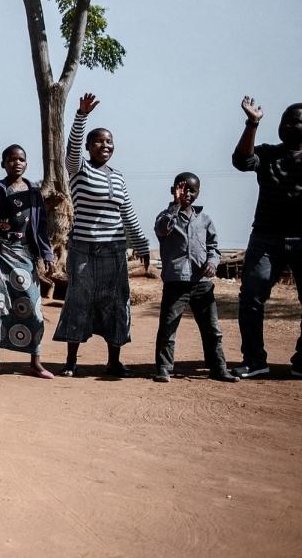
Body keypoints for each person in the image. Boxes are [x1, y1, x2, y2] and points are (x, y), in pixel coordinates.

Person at [53, 93, 150, 378]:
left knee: (116, 303)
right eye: (98, 141)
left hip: (114, 251)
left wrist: (143, 245)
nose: (104, 145)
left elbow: (128, 214)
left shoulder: (118, 176)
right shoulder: (79, 169)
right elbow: (70, 150)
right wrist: (81, 116)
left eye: (109, 142)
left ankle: (114, 361)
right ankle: (71, 361)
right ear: (88, 147)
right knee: (78, 301)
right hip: (83, 250)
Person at [0, 147, 54, 379]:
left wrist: (47, 254)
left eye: (21, 159)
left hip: (25, 256)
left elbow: (41, 227)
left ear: (27, 163)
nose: (17, 163)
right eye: (11, 159)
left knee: (33, 309)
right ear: (4, 164)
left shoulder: (34, 193)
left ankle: (36, 362)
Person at [230, 97, 302, 379]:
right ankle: (254, 360)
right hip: (266, 238)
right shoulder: (269, 153)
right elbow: (242, 161)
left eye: (295, 120)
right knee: (250, 298)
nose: (287, 124)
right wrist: (252, 123)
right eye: (285, 120)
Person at [152, 173, 237, 383]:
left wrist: (212, 263)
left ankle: (218, 367)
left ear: (198, 193)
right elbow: (162, 231)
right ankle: (164, 368)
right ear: (173, 190)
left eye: (192, 190)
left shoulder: (205, 220)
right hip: (176, 282)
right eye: (182, 189)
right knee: (168, 327)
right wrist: (175, 205)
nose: (186, 193)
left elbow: (214, 248)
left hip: (202, 283)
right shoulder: (165, 217)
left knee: (212, 329)